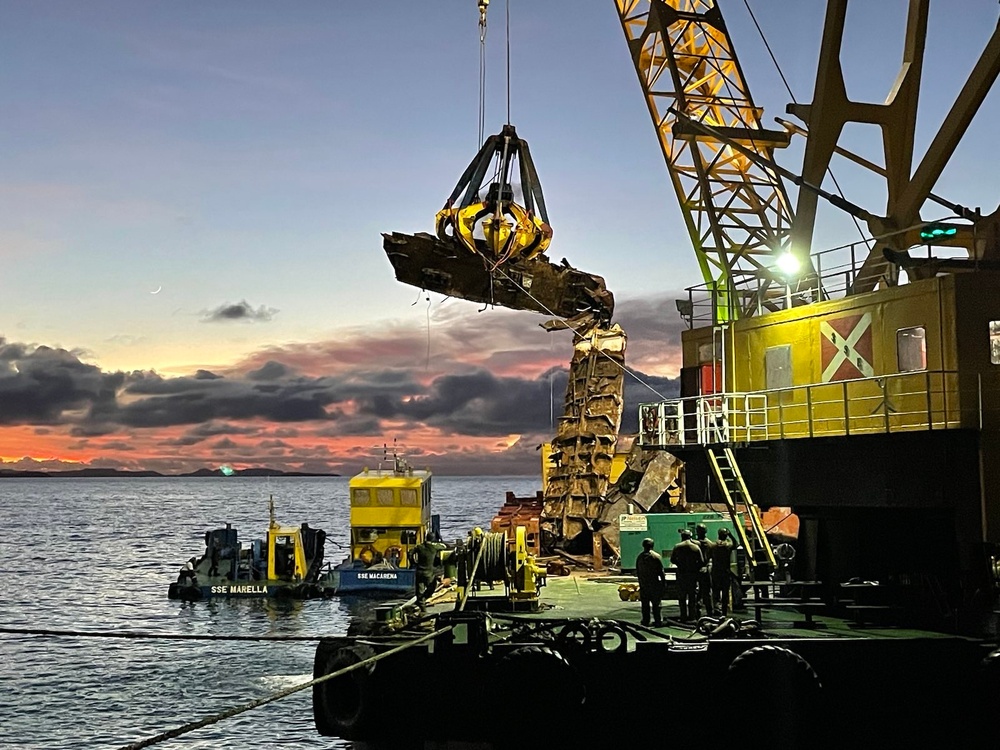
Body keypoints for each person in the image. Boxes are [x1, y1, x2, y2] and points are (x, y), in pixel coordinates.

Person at [670, 528, 704, 622]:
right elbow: (701, 561)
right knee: (692, 597)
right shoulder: (695, 547)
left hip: (681, 574)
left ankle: (683, 616)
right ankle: (692, 617)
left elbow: (672, 559)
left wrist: (680, 564)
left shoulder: (677, 546)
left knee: (682, 597)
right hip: (692, 575)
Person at [634, 537, 666, 627]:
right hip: (654, 584)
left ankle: (645, 620)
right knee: (656, 604)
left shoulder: (639, 558)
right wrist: (664, 584)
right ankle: (657, 621)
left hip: (644, 585)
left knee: (645, 605)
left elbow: (638, 572)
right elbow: (661, 572)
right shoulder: (656, 556)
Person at [410, 532, 444, 611]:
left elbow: (410, 552)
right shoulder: (434, 547)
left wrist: (413, 562)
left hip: (419, 571)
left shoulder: (419, 547)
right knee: (432, 587)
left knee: (419, 590)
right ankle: (423, 600)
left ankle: (422, 607)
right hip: (428, 573)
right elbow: (444, 546)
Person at [710, 528, 736, 615]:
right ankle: (724, 611)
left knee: (716, 592)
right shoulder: (727, 546)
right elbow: (736, 544)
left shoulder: (713, 546)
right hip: (725, 572)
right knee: (725, 592)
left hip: (715, 572)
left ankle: (717, 609)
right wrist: (731, 535)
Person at [694, 523, 715, 617]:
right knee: (707, 592)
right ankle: (709, 612)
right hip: (707, 570)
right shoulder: (711, 544)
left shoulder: (694, 544)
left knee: (696, 592)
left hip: (696, 570)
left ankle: (696, 612)